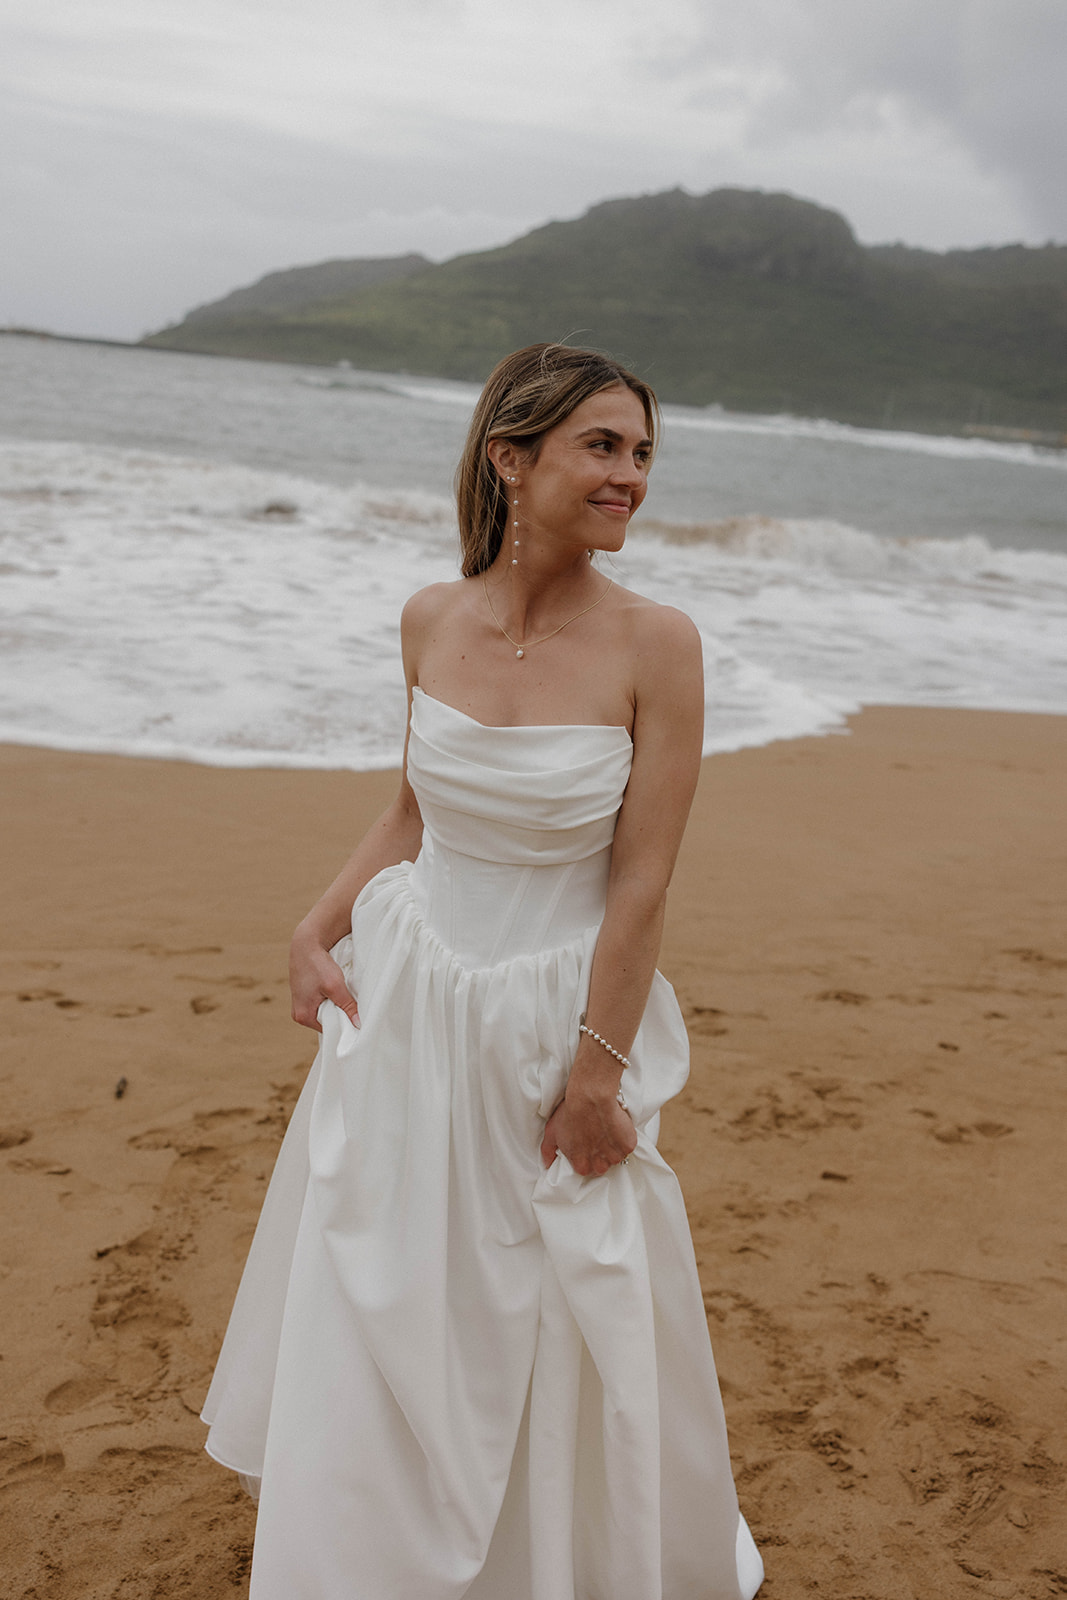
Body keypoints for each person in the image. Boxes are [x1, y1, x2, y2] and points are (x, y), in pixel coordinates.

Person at [202, 343, 764, 1599]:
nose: (629, 477)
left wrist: (594, 1072)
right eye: (602, 448)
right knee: (380, 1272)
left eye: (640, 455)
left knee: (550, 1298)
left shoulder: (657, 644)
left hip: (551, 1013)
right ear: (512, 457)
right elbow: (413, 811)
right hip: (408, 995)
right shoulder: (428, 618)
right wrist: (317, 926)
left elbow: (642, 880)